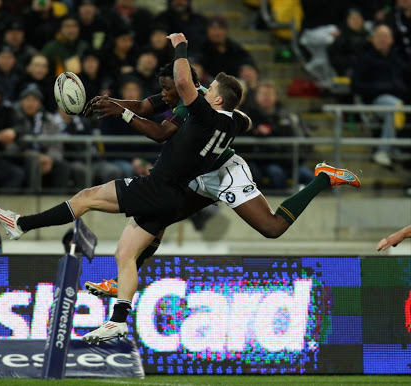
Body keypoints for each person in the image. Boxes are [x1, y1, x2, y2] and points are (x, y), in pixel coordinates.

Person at [0, 33, 247, 343]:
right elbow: (237, 116)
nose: (166, 94)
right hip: (174, 196)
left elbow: (169, 113)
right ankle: (118, 320)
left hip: (158, 185)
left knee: (86, 199)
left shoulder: (199, 111)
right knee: (125, 254)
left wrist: (180, 44)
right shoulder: (230, 121)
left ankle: (22, 224)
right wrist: (112, 104)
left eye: (209, 91)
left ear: (213, 97)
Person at [83, 66, 360, 299]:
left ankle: (323, 177)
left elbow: (171, 128)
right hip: (195, 175)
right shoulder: (188, 98)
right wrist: (114, 104)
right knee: (159, 213)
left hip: (224, 172)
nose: (205, 88)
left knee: (272, 227)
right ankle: (122, 281)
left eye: (210, 87)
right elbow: (145, 105)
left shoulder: (203, 103)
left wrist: (240, 118)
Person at [352, 24, 407, 167]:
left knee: (395, 106)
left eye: (386, 36)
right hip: (373, 101)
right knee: (394, 107)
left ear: (391, 40)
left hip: (397, 98)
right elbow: (356, 85)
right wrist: (381, 88)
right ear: (373, 39)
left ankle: (395, 146)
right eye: (379, 36)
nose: (382, 39)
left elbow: (403, 82)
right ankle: (383, 150)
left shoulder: (397, 60)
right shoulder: (365, 58)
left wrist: (397, 88)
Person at [14, 84, 74, 193]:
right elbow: (12, 146)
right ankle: (31, 203)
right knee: (33, 165)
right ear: (21, 101)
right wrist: (38, 157)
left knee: (63, 166)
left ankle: (58, 204)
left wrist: (50, 159)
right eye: (27, 100)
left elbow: (57, 144)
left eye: (34, 100)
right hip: (21, 157)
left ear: (39, 103)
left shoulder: (48, 119)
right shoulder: (14, 117)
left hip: (47, 158)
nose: (31, 104)